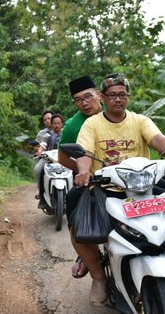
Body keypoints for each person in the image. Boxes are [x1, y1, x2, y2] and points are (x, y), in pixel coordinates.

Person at [66, 72, 165, 306]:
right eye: (112, 95)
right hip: (107, 186)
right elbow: (85, 152)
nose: (117, 99)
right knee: (76, 218)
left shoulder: (140, 120)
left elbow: (159, 139)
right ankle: (98, 277)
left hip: (145, 185)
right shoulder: (92, 124)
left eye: (122, 95)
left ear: (128, 97)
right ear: (103, 97)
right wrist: (83, 171)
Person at [57, 76, 105, 279]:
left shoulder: (116, 113)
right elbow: (62, 158)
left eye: (88, 97)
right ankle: (89, 262)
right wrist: (85, 172)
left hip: (127, 178)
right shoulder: (72, 126)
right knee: (75, 211)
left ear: (98, 95)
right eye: (78, 100)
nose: (84, 103)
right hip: (91, 182)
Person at [35, 112, 64, 210]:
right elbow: (42, 145)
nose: (56, 125)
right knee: (39, 170)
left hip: (64, 159)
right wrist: (40, 152)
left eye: (58, 123)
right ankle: (42, 196)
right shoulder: (46, 135)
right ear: (51, 124)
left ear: (62, 124)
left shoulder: (65, 133)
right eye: (54, 123)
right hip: (48, 159)